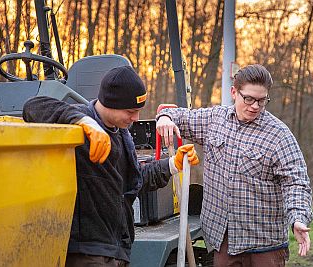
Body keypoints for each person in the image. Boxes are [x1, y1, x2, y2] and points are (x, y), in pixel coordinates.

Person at [22, 66, 199, 267]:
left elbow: (134, 181)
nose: (136, 119)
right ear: (110, 103)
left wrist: (172, 164)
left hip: (116, 249)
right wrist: (83, 121)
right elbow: (33, 106)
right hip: (88, 252)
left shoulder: (121, 133)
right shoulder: (79, 124)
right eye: (131, 112)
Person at [156, 64, 312, 267]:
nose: (255, 106)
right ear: (234, 93)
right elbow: (178, 116)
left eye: (261, 100)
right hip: (223, 242)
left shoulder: (279, 135)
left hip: (264, 245)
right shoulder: (214, 120)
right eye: (248, 98)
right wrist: (166, 118)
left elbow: (296, 182)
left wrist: (298, 218)